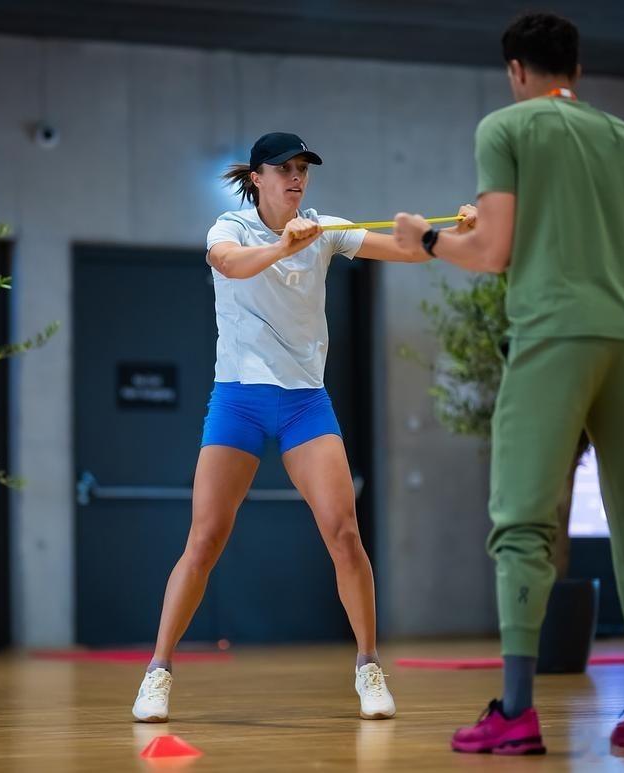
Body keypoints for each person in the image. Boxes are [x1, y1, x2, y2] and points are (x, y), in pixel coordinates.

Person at [394, 12, 624, 755]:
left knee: (523, 521)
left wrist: (425, 238)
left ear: (516, 71)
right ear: (577, 72)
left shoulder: (506, 128)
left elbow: (493, 252)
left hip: (554, 335)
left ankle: (517, 712)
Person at [132, 131, 476, 723]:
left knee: (344, 532)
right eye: (284, 169)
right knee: (205, 539)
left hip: (304, 404)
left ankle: (368, 666)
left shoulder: (326, 229)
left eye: (302, 169)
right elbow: (230, 265)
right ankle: (157, 673)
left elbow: (408, 252)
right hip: (238, 398)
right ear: (257, 178)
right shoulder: (230, 228)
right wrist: (283, 246)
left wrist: (453, 236)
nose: (296, 178)